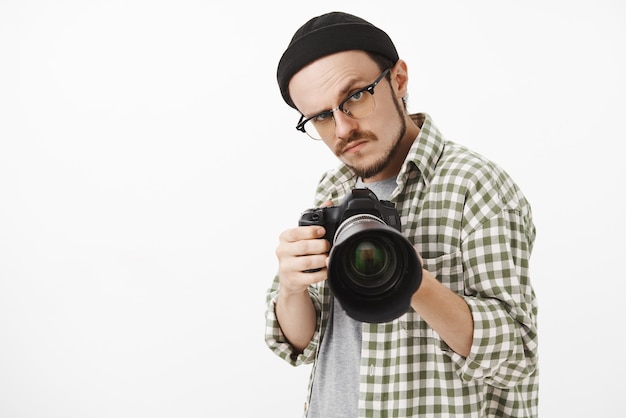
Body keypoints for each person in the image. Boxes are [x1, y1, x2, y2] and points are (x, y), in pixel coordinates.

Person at [264, 11, 538, 418]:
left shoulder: (475, 185)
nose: (342, 129)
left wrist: (410, 279)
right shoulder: (332, 189)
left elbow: (516, 355)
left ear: (399, 80)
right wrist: (291, 287)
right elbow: (301, 344)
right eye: (321, 116)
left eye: (355, 96)